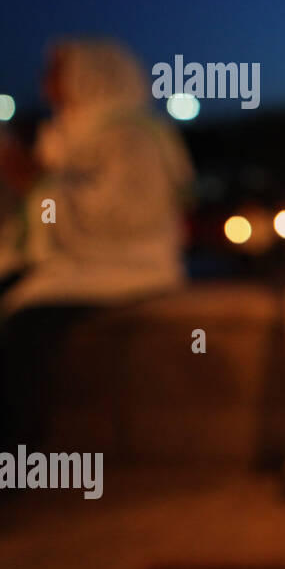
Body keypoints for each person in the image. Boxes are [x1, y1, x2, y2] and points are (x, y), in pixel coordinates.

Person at [0, 38, 193, 445]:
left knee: (26, 328)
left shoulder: (133, 136)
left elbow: (122, 215)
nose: (46, 82)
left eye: (57, 71)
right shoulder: (68, 132)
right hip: (70, 264)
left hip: (124, 267)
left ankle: (16, 449)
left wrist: (35, 182)